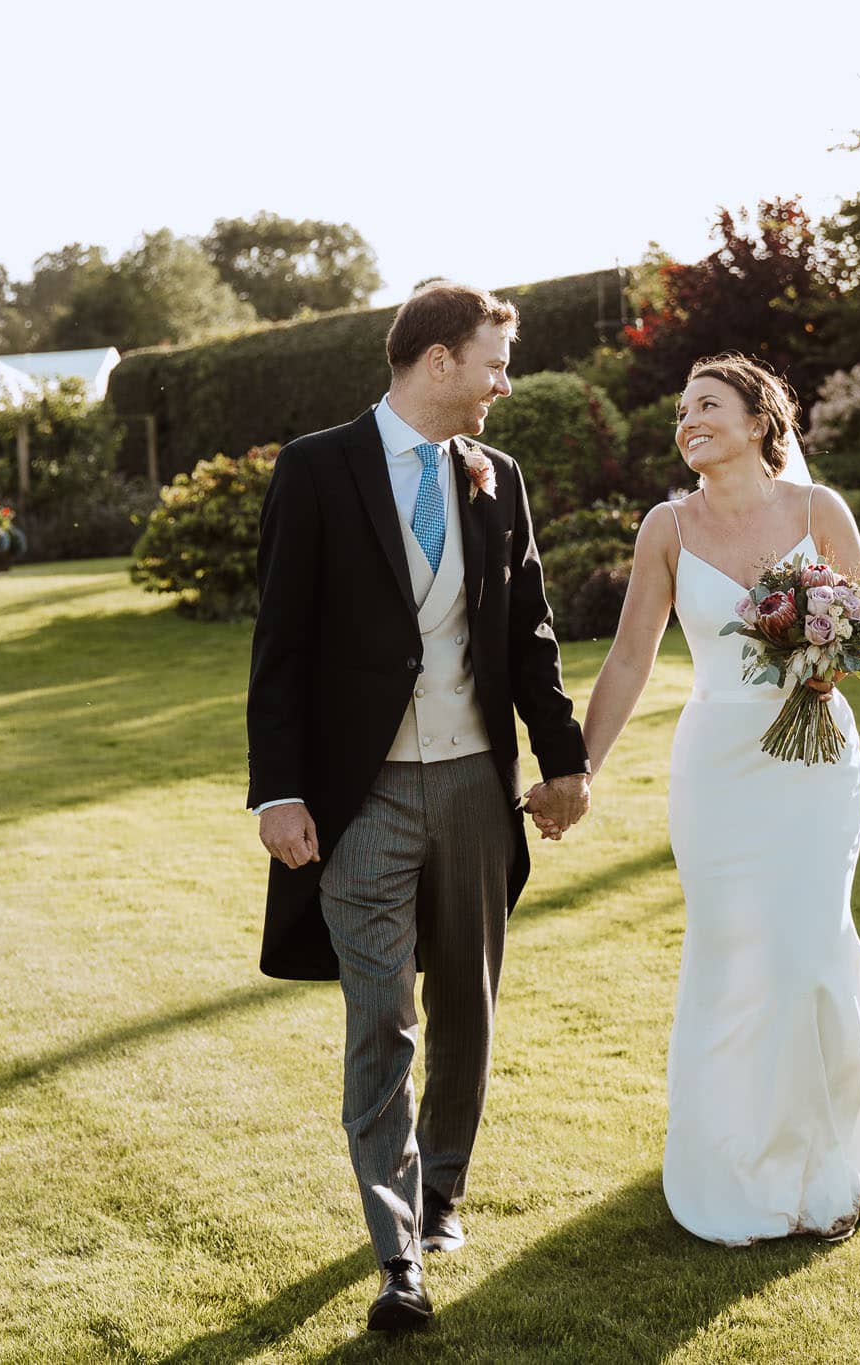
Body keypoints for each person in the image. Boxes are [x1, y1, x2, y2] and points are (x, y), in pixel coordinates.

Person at [245, 283, 590, 1331]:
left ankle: (442, 1191)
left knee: (468, 1007)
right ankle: (396, 1253)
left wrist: (564, 759)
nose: (503, 384)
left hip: (477, 783)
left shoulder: (499, 478)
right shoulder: (315, 468)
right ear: (436, 362)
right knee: (379, 1015)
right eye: (494, 362)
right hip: (365, 796)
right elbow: (283, 643)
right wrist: (281, 791)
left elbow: (527, 634)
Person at [565, 352, 860, 1245]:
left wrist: (826, 658)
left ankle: (825, 1163)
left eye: (707, 404)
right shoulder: (665, 528)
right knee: (732, 955)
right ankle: (732, 1164)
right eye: (681, 410)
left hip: (816, 759)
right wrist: (584, 768)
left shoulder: (816, 510)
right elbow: (632, 656)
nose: (687, 419)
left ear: (760, 421)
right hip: (717, 767)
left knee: (804, 951)